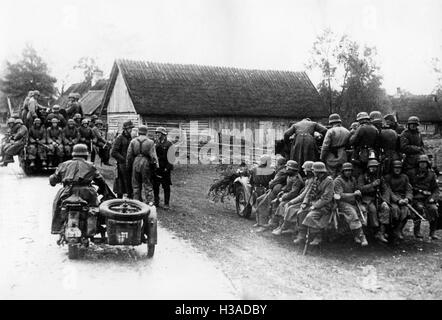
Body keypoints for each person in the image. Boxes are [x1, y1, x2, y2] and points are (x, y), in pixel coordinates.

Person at [49, 144, 107, 234]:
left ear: (73, 154)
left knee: (58, 205)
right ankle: (94, 228)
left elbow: (53, 179)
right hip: (87, 192)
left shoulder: (64, 165)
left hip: (68, 191)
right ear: (86, 154)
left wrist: (53, 181)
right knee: (94, 209)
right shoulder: (91, 166)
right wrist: (101, 190)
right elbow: (100, 180)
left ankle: (58, 228)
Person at [294, 162, 334, 246]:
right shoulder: (316, 179)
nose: (313, 172)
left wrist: (315, 206)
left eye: (314, 171)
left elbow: (326, 198)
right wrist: (305, 203)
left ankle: (318, 236)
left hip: (324, 206)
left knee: (310, 216)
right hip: (313, 203)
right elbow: (309, 193)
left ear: (319, 172)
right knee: (300, 212)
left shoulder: (329, 181)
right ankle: (301, 235)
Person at [272, 161, 315, 236]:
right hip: (300, 198)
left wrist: (290, 201)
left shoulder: (306, 180)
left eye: (305, 169)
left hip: (303, 200)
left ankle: (284, 227)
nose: (304, 171)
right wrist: (282, 192)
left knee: (287, 206)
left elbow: (299, 194)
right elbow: (289, 188)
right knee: (282, 204)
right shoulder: (308, 179)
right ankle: (280, 225)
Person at [334, 162, 368, 246]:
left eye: (350, 170)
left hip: (353, 202)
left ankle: (355, 234)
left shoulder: (352, 179)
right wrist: (354, 194)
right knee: (353, 214)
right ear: (342, 171)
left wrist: (358, 192)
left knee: (363, 211)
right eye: (346, 170)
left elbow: (356, 189)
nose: (348, 172)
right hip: (342, 203)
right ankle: (361, 237)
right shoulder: (338, 180)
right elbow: (340, 195)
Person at [265, 160, 304, 231]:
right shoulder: (290, 176)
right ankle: (274, 223)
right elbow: (287, 187)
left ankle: (281, 226)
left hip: (295, 198)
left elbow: (293, 193)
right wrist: (282, 191)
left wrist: (283, 197)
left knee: (282, 205)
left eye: (288, 168)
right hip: (288, 195)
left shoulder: (296, 179)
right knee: (274, 202)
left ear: (293, 170)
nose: (286, 170)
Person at [357, 159, 390, 243]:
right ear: (368, 167)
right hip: (365, 199)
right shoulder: (362, 176)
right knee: (371, 210)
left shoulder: (379, 177)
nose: (373, 169)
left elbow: (385, 189)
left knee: (386, 208)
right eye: (371, 167)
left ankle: (381, 233)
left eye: (375, 167)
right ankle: (367, 233)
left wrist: (385, 200)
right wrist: (372, 185)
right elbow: (360, 188)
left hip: (377, 198)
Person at [409, 155, 440, 240]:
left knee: (433, 209)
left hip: (428, 198)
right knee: (418, 208)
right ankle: (417, 231)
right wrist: (420, 191)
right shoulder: (412, 173)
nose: (422, 165)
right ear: (418, 164)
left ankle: (432, 232)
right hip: (416, 198)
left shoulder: (431, 174)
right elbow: (409, 187)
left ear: (427, 164)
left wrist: (433, 198)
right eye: (421, 163)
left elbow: (436, 188)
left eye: (424, 163)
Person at [126, 125, 159, 203]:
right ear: (146, 132)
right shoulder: (150, 142)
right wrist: (155, 166)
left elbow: (129, 155)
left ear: (139, 131)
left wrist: (129, 165)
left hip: (136, 161)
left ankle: (136, 202)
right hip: (145, 162)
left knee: (136, 183)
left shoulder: (133, 141)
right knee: (147, 182)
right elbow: (153, 156)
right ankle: (150, 202)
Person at [254, 156, 288, 229]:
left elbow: (272, 183)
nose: (275, 164)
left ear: (279, 163)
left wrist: (271, 183)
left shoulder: (282, 172)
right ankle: (259, 222)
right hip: (273, 190)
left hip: (276, 192)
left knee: (263, 204)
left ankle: (264, 224)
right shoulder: (280, 170)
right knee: (259, 200)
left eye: (276, 162)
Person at [382, 160, 413, 240]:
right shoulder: (387, 177)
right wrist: (397, 200)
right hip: (392, 199)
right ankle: (389, 230)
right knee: (395, 210)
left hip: (403, 198)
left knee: (406, 211)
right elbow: (388, 191)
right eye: (395, 168)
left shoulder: (405, 177)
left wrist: (407, 198)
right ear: (392, 168)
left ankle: (398, 230)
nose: (397, 169)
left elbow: (408, 189)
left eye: (399, 168)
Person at [320, 113, 350, 177]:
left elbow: (325, 146)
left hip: (331, 156)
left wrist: (322, 157)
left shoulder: (330, 131)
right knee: (341, 174)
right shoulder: (347, 131)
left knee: (331, 174)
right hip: (343, 155)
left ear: (331, 123)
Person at [349, 112, 379, 177]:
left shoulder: (361, 128)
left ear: (360, 120)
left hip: (361, 153)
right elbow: (377, 143)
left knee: (357, 170)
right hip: (372, 153)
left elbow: (353, 141)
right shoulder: (374, 128)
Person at [250, 154, 275, 227]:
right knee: (264, 205)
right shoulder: (271, 171)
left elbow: (251, 180)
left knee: (259, 204)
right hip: (266, 189)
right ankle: (262, 222)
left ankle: (259, 222)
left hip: (257, 188)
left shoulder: (254, 169)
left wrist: (253, 187)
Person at [111, 120, 134, 198]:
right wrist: (123, 159)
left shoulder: (130, 138)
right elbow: (113, 152)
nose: (131, 130)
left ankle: (130, 199)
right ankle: (119, 199)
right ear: (125, 129)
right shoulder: (119, 138)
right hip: (121, 164)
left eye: (131, 128)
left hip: (129, 163)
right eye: (129, 128)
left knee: (129, 182)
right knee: (120, 183)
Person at [152, 127, 174, 209]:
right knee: (155, 186)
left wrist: (167, 168)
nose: (157, 134)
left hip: (165, 169)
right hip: (157, 168)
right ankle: (156, 201)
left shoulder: (169, 144)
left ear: (163, 134)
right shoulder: (156, 144)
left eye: (159, 133)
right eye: (156, 133)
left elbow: (171, 158)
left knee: (166, 186)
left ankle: (166, 203)